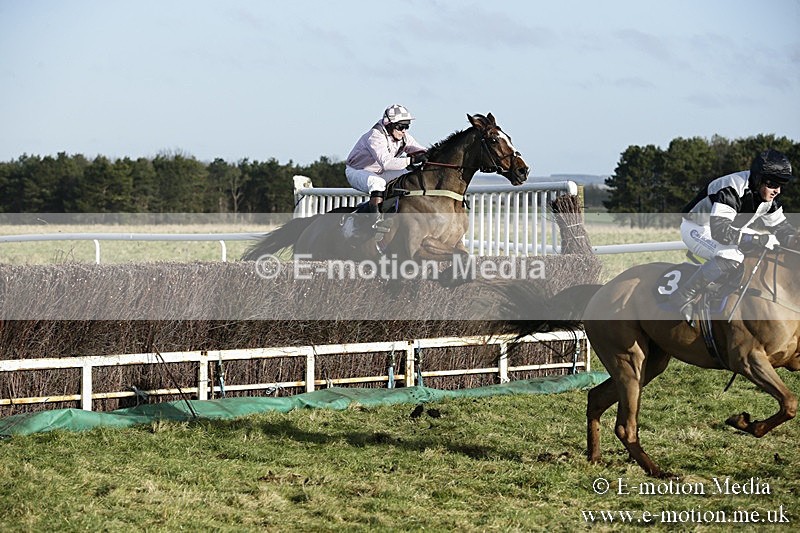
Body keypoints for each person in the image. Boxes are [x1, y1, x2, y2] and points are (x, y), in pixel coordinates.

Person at [672, 148, 795, 323]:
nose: (778, 191)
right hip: (697, 228)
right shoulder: (732, 188)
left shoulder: (767, 197)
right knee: (732, 255)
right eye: (773, 185)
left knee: (765, 248)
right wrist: (758, 240)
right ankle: (684, 295)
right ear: (759, 180)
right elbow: (720, 232)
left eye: (780, 185)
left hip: (724, 229)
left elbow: (782, 229)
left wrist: (795, 240)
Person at [345, 104, 428, 234]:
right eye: (401, 127)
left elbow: (422, 150)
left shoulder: (404, 137)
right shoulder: (375, 136)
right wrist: (411, 160)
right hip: (356, 171)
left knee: (410, 174)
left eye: (407, 126)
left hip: (379, 172)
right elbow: (387, 163)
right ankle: (376, 222)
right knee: (378, 183)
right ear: (389, 124)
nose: (404, 130)